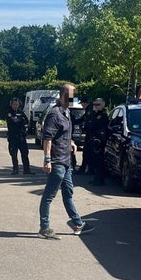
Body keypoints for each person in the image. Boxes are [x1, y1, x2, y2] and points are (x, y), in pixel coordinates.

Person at [38, 84, 95, 239]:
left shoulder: (67, 112)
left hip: (67, 161)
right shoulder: (54, 114)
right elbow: (47, 139)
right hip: (56, 162)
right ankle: (44, 228)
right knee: (49, 196)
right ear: (63, 95)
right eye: (70, 96)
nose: (73, 99)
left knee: (68, 193)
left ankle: (77, 223)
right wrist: (47, 160)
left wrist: (71, 143)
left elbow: (64, 134)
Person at [85, 97, 108, 185]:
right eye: (94, 104)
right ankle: (96, 178)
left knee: (99, 161)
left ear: (102, 105)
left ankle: (100, 180)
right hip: (92, 139)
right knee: (94, 160)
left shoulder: (103, 115)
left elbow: (103, 128)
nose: (95, 106)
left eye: (97, 104)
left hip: (99, 141)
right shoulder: (94, 114)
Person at [5, 97, 32, 175]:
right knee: (13, 154)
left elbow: (26, 121)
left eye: (17, 104)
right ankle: (15, 169)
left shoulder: (21, 112)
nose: (15, 106)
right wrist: (19, 120)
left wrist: (19, 120)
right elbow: (12, 122)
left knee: (25, 153)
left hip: (21, 136)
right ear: (11, 105)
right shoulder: (9, 113)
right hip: (13, 136)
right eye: (14, 104)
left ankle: (26, 170)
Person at [73, 96, 92, 174]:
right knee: (86, 152)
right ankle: (85, 169)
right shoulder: (88, 110)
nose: (81, 106)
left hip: (91, 135)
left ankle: (87, 169)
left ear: (85, 103)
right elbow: (82, 120)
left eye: (82, 104)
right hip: (88, 134)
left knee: (88, 153)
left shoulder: (90, 110)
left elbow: (88, 122)